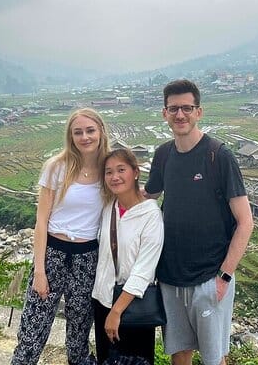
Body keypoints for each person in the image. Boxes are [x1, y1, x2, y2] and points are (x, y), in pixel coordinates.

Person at [144, 79, 254, 365]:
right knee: (179, 353)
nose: (180, 115)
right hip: (170, 277)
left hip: (209, 276)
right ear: (164, 113)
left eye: (187, 108)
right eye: (173, 109)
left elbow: (245, 222)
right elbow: (146, 198)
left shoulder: (218, 155)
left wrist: (224, 277)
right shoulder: (163, 155)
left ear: (199, 112)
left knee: (214, 358)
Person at [11, 108, 110, 365]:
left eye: (90, 130)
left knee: (79, 334)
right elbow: (41, 222)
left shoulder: (108, 170)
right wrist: (39, 271)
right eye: (78, 132)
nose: (85, 137)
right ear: (70, 136)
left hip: (88, 258)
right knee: (32, 331)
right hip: (53, 254)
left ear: (101, 132)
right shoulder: (56, 167)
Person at [92, 148, 164, 365]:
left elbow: (144, 270)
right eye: (109, 172)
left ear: (136, 172)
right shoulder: (108, 208)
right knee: (106, 360)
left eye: (121, 170)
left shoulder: (151, 215)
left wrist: (116, 312)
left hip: (133, 308)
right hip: (103, 300)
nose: (115, 177)